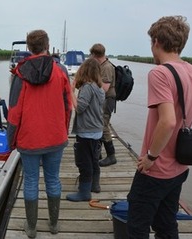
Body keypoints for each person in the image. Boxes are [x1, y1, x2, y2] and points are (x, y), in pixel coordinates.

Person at [127, 15, 192, 238]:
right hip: (180, 168)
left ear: (156, 42)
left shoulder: (160, 73)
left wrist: (151, 157)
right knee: (166, 223)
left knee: (137, 225)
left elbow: (169, 121)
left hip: (156, 170)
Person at [7, 29, 72, 238]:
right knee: (53, 179)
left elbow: (14, 111)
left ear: (28, 47)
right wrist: (63, 128)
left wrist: (11, 139)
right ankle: (54, 225)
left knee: (31, 181)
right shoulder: (61, 71)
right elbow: (68, 106)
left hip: (29, 139)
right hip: (55, 136)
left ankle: (32, 228)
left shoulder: (20, 73)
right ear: (47, 44)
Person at [66, 58, 105, 202]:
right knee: (94, 160)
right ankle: (94, 185)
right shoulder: (99, 87)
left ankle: (84, 192)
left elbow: (80, 108)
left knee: (84, 162)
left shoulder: (88, 87)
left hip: (87, 131)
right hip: (97, 130)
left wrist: (71, 92)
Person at [89, 43, 117, 167]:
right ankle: (98, 152)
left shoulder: (107, 67)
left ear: (95, 55)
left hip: (107, 99)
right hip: (104, 99)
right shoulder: (102, 65)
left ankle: (111, 155)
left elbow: (104, 88)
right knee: (100, 123)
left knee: (103, 125)